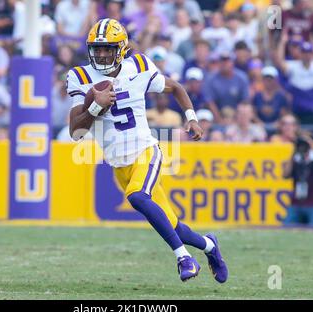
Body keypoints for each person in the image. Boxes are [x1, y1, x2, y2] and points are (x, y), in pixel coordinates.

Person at [67, 18, 228, 283]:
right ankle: (210, 246)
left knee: (138, 197)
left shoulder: (139, 65)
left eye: (108, 48)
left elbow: (175, 87)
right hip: (119, 163)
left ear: (121, 48)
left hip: (146, 150)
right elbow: (76, 132)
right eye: (98, 49)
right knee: (174, 226)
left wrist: (192, 117)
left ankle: (184, 258)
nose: (102, 54)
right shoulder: (81, 76)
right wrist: (95, 107)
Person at [283, 135, 313, 227]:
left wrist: (312, 145)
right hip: (296, 203)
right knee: (285, 228)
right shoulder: (295, 160)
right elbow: (285, 174)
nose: (303, 147)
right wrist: (294, 152)